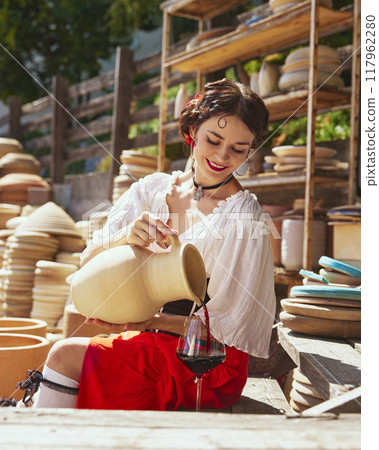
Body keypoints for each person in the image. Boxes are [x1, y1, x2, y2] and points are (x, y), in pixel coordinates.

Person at [31, 78, 276, 410]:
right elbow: (88, 266)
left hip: (207, 360)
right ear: (192, 129)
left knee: (63, 356)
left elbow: (226, 333)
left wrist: (150, 322)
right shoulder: (150, 190)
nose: (222, 156)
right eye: (213, 140)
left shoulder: (244, 216)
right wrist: (125, 237)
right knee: (71, 349)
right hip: (153, 337)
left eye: (238, 149)